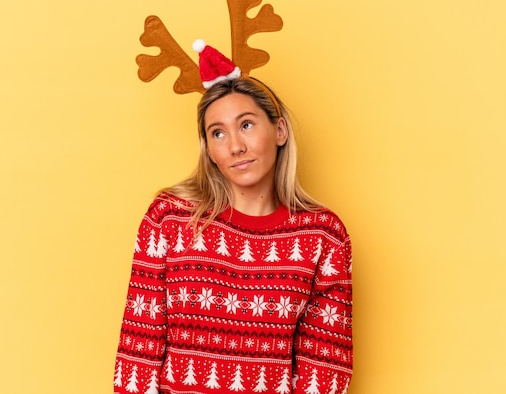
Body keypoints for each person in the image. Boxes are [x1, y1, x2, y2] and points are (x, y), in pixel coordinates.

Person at [114, 48, 352, 394]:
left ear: (280, 130)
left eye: (246, 124)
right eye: (218, 133)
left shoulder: (323, 237)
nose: (235, 146)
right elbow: (138, 353)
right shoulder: (168, 219)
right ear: (208, 148)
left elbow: (326, 370)